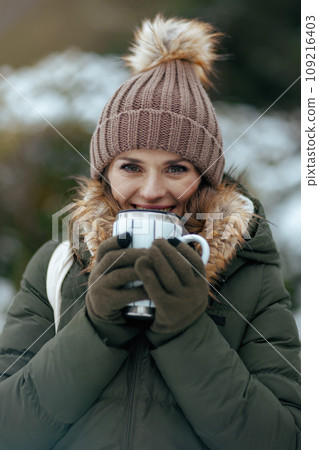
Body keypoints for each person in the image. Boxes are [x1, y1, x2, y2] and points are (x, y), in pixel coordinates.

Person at [0, 14, 300, 450]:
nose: (152, 191)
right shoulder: (57, 267)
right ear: (104, 173)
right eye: (131, 167)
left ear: (206, 178)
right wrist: (96, 328)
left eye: (177, 168)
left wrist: (185, 331)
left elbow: (284, 439)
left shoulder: (251, 277)